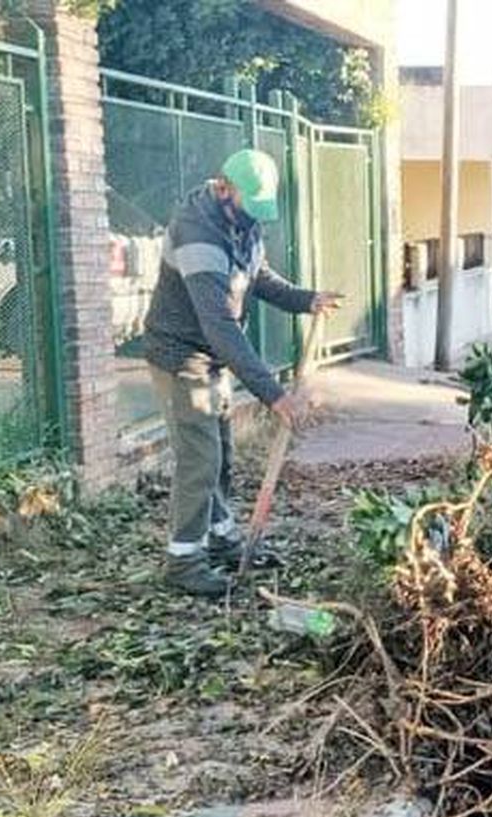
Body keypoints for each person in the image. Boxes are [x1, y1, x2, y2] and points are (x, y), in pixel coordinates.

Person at [143, 148, 342, 597]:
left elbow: (260, 277)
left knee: (222, 453)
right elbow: (219, 325)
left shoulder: (243, 225)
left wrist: (305, 299)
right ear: (222, 188)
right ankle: (183, 560)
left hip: (211, 355)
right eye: (247, 210)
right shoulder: (197, 234)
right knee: (200, 458)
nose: (254, 221)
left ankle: (222, 539)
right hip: (181, 355)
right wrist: (273, 394)